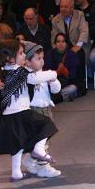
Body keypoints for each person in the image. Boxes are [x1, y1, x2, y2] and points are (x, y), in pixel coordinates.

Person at [0, 39, 58, 181]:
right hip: (20, 112)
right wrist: (53, 74)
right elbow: (34, 79)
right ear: (10, 58)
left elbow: (0, 80)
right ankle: (38, 149)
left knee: (17, 144)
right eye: (20, 53)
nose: (24, 56)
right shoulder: (20, 72)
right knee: (47, 124)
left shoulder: (6, 69)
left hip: (7, 115)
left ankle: (16, 172)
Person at [21, 42, 63, 177]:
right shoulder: (26, 75)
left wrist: (53, 81)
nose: (42, 61)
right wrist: (51, 74)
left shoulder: (44, 74)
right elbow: (35, 79)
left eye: (42, 58)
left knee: (43, 138)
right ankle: (43, 167)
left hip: (46, 109)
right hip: (33, 110)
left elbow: (56, 90)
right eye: (38, 58)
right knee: (42, 140)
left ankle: (30, 158)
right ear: (27, 61)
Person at [50, 0, 88, 95]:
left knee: (79, 54)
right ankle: (60, 83)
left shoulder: (79, 15)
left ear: (72, 8)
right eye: (61, 7)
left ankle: (79, 82)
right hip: (62, 46)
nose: (63, 9)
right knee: (54, 55)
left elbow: (84, 31)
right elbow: (54, 37)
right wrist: (57, 49)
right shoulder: (56, 19)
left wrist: (78, 45)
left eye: (65, 7)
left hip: (77, 44)